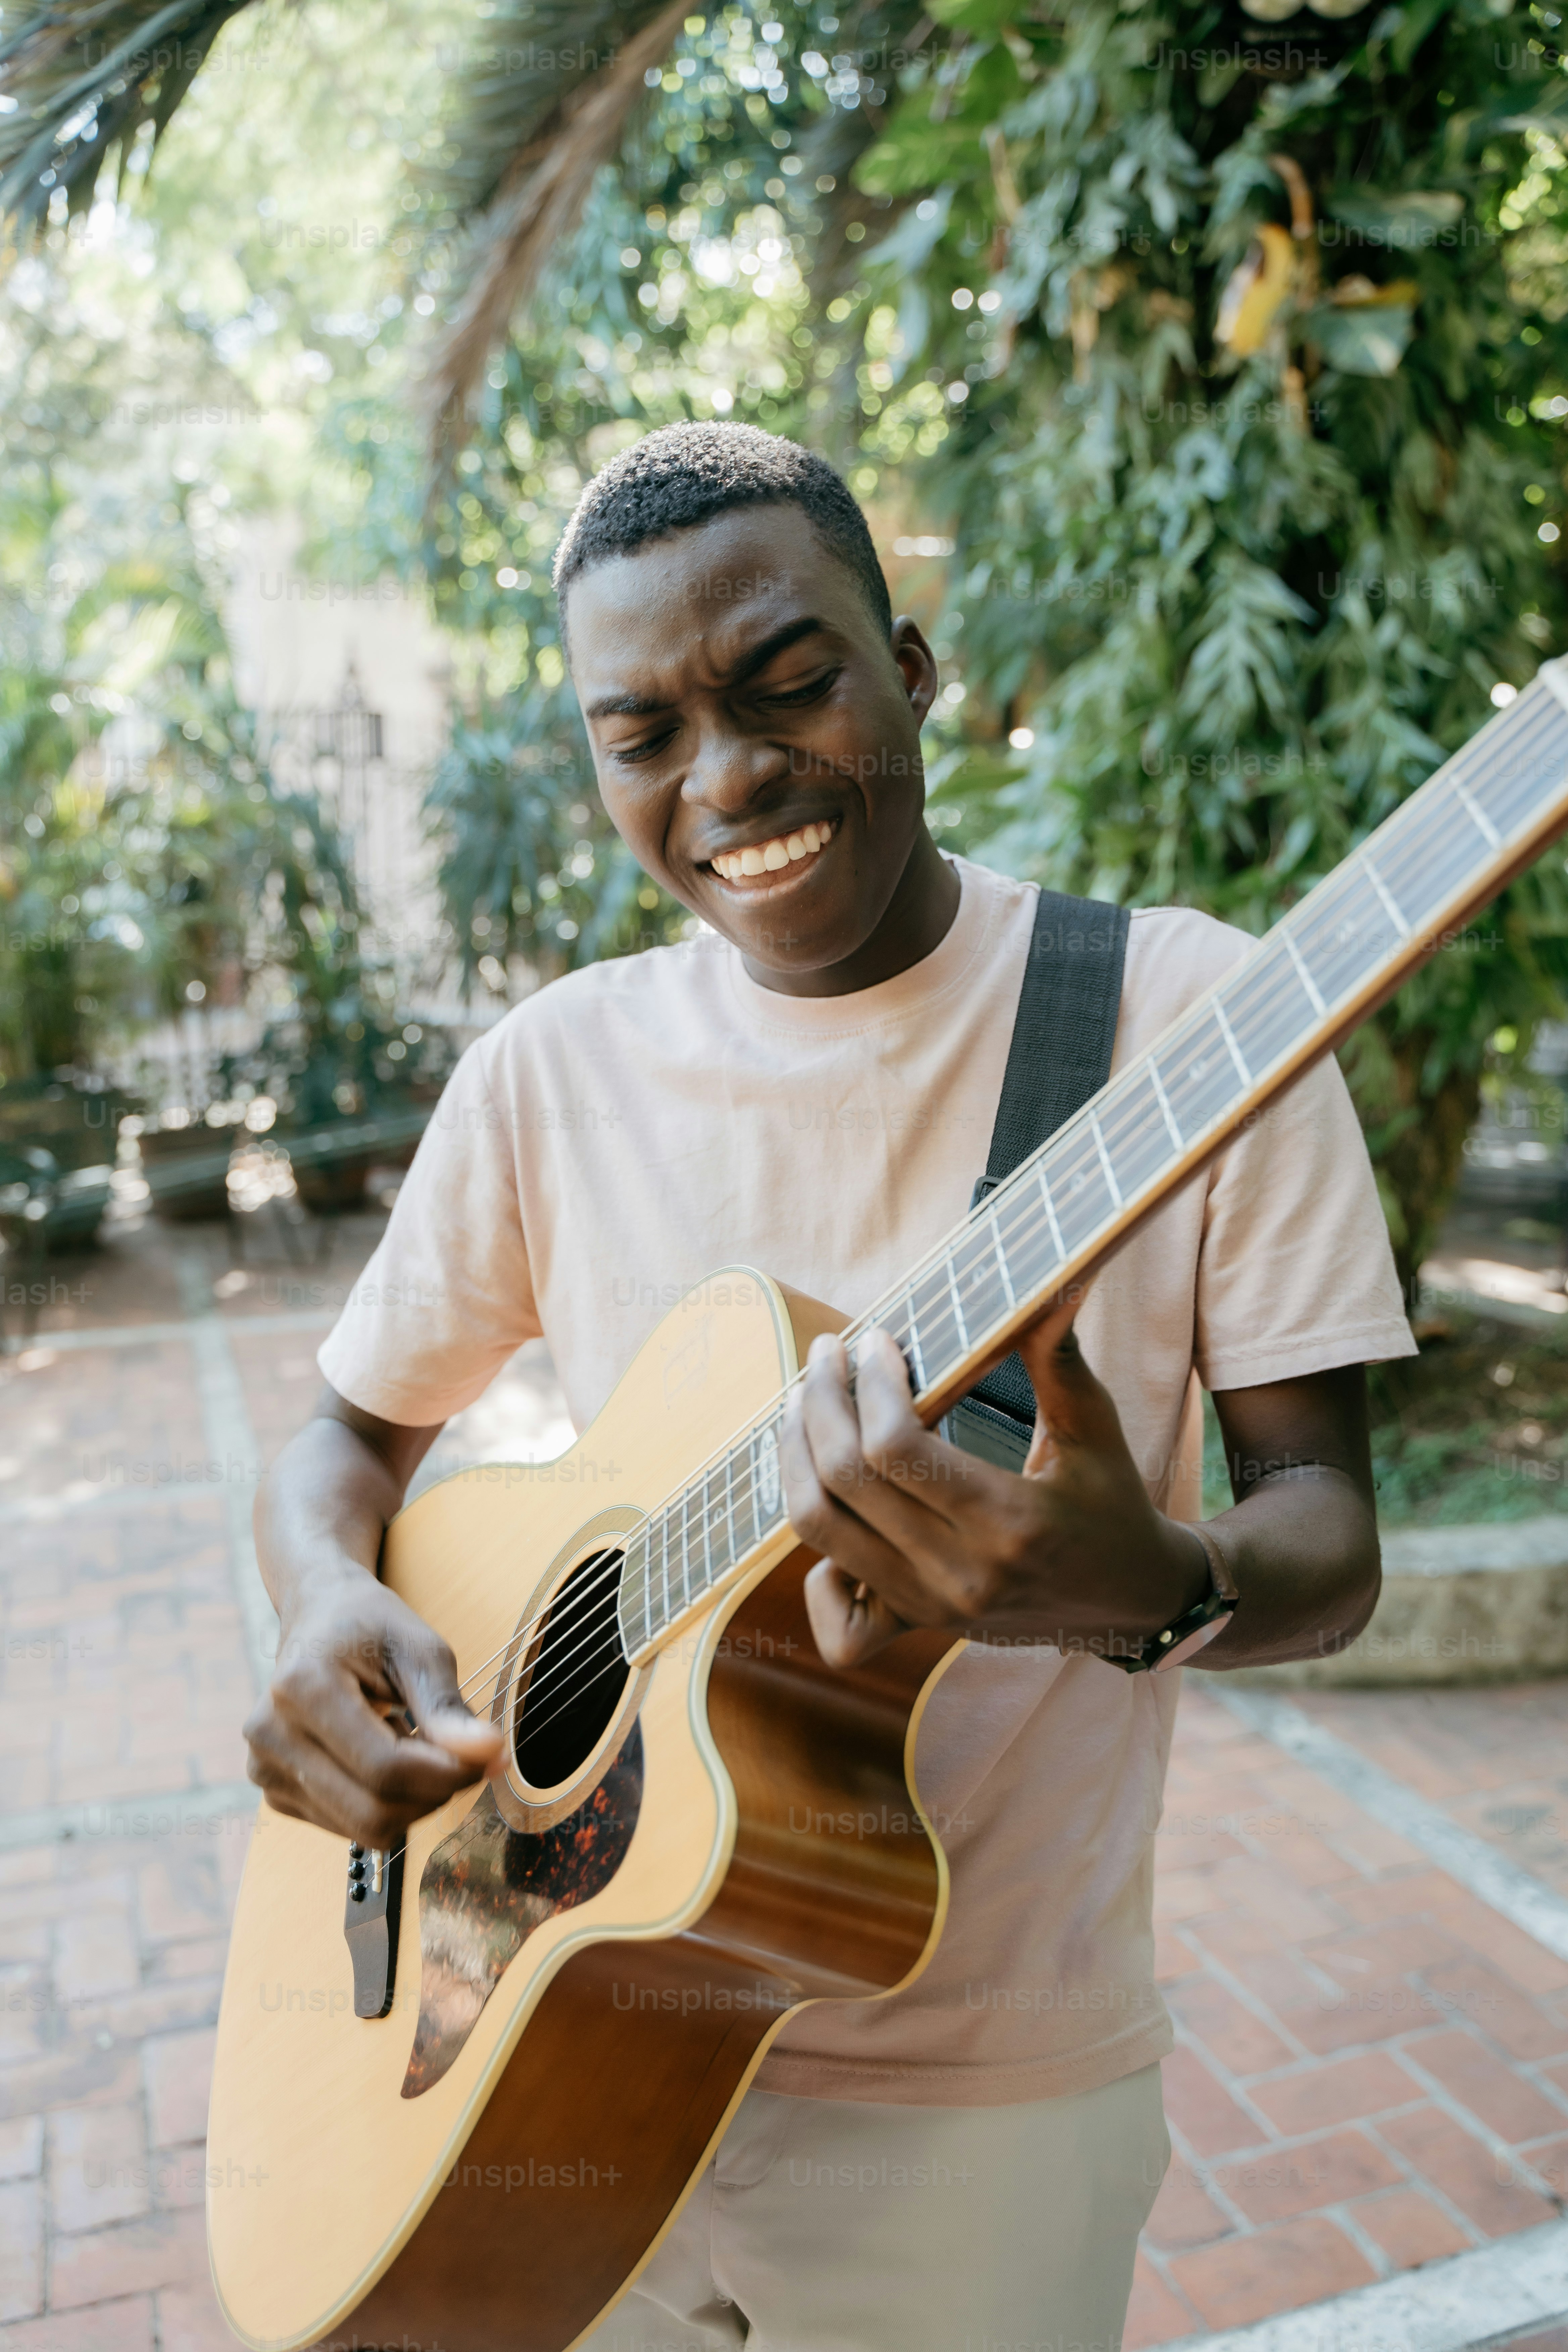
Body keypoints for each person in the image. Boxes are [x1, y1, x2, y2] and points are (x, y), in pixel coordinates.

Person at [245, 421, 1414, 2352]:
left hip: (982, 2101)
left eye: (792, 683)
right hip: (555, 2027)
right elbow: (342, 1443)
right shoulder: (550, 1072)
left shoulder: (1189, 1023)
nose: (729, 777)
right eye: (645, 735)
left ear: (912, 667)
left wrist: (1153, 1579)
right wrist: (317, 1599)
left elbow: (1333, 1539)